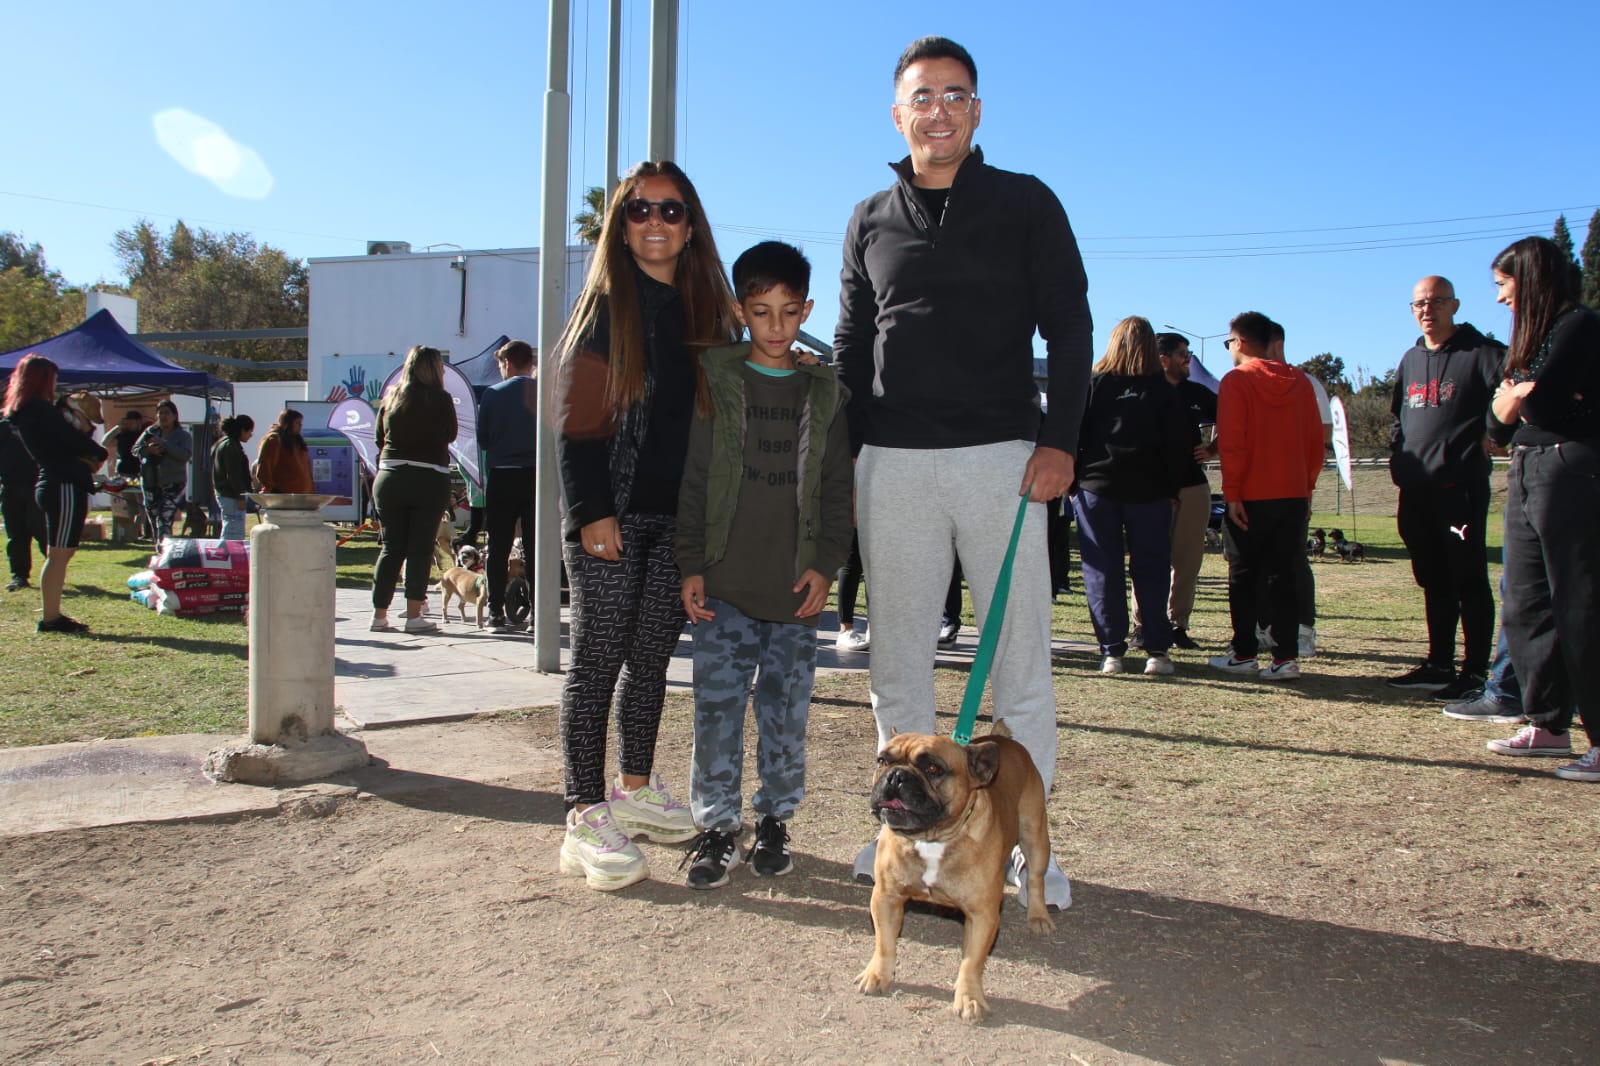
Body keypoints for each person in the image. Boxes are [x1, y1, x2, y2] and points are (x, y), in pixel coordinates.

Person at [834, 36, 1092, 909]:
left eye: (954, 95)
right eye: (921, 96)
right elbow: (849, 342)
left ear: (976, 111)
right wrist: (847, 449)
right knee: (898, 663)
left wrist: (1060, 440)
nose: (937, 110)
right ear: (897, 112)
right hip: (893, 464)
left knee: (1018, 661)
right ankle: (899, 842)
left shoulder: (1025, 203)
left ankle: (1028, 852)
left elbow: (1072, 327)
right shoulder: (869, 216)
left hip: (1003, 461)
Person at [552, 160, 740, 890]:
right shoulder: (603, 307)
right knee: (597, 660)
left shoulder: (708, 319)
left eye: (670, 210)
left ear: (691, 227)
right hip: (613, 517)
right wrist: (590, 512)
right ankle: (582, 811)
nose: (655, 223)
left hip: (674, 521)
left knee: (652, 660)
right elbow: (575, 425)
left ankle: (633, 787)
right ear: (620, 227)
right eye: (639, 211)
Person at [675, 240, 853, 889]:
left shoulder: (825, 394)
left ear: (807, 309)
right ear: (739, 310)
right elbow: (694, 481)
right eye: (761, 312)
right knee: (716, 712)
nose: (775, 328)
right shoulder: (715, 384)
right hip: (723, 586)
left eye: (788, 313)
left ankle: (775, 819)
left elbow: (838, 490)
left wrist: (827, 565)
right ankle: (718, 827)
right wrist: (690, 564)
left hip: (796, 592)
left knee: (785, 712)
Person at [1481, 236, 1600, 782]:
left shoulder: (1579, 326)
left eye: (1504, 286)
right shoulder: (1530, 341)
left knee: (1580, 602)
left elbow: (1542, 402)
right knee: (1525, 600)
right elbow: (1496, 426)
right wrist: (1518, 392)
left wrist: (1521, 394)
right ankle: (1548, 723)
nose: (1501, 298)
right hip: (1527, 468)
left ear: (1529, 280)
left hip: (1571, 469)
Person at [1385, 276, 1504, 699]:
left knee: (1467, 576)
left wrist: (1495, 432)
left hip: (1459, 490)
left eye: (1436, 302)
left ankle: (1474, 672)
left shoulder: (1482, 353)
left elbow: (1511, 390)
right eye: (1419, 303)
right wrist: (1398, 452)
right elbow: (1398, 412)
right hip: (1416, 490)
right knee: (1432, 577)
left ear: (1454, 305)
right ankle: (1438, 663)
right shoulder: (1410, 359)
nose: (1427, 309)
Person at [1071, 316, 1191, 675]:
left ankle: (1112, 652)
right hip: (1150, 491)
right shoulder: (1163, 389)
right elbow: (1177, 445)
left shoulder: (1093, 384)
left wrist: (1075, 481)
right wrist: (1172, 490)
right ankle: (1157, 650)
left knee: (1102, 570)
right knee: (1152, 568)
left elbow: (1073, 432)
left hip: (1097, 488)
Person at [1207, 312, 1324, 680]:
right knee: (1284, 575)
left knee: (1243, 574)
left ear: (1239, 342)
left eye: (1229, 342)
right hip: (1292, 494)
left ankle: (1244, 652)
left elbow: (1232, 442)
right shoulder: (1301, 382)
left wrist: (1234, 493)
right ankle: (1285, 657)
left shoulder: (1236, 381)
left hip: (1252, 494)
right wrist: (1307, 488)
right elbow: (1314, 443)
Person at [2, 354, 108, 633]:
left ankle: (52, 615)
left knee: (58, 553)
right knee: (59, 555)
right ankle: (51, 618)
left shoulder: (22, 411)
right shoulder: (41, 411)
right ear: (42, 379)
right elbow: (74, 441)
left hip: (52, 482)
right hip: (63, 485)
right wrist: (96, 452)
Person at [1132, 332, 1215, 652]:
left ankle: (1177, 625)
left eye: (1189, 353)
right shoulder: (1140, 392)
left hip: (1192, 488)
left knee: (1187, 562)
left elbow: (1233, 420)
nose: (1189, 359)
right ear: (1162, 358)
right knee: (1148, 560)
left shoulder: (1197, 392)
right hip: (1151, 489)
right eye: (1184, 353)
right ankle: (1142, 627)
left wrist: (1213, 448)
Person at [370, 345, 458, 634]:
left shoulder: (391, 397)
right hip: (429, 478)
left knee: (391, 547)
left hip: (390, 476)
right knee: (420, 548)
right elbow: (451, 434)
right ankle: (413, 616)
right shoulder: (441, 399)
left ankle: (379, 615)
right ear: (434, 369)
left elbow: (378, 438)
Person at [476, 338, 539, 633]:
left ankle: (495, 613)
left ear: (506, 363)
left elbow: (483, 438)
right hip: (535, 475)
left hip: (502, 474)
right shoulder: (543, 393)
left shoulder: (492, 395)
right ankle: (539, 612)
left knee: (498, 546)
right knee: (534, 544)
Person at [1, 411, 47, 591]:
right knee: (16, 533)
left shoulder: (40, 420)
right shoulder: (4, 425)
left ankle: (54, 568)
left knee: (41, 531)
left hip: (35, 484)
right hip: (10, 485)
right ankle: (19, 575)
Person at [134, 399, 192, 542]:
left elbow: (185, 455)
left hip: (173, 483)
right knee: (154, 518)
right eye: (160, 413)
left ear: (174, 416)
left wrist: (164, 445)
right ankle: (159, 550)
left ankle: (165, 552)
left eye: (167, 413)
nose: (163, 416)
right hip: (150, 482)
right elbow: (135, 450)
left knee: (164, 518)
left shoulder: (182, 436)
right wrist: (148, 450)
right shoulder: (150, 432)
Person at [211, 415, 255, 542]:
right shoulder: (231, 446)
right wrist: (240, 496)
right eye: (249, 432)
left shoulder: (223, 443)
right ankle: (228, 556)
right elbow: (233, 475)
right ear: (242, 430)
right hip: (231, 495)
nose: (250, 435)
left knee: (230, 526)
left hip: (226, 494)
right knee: (233, 531)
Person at [252, 409, 314, 494]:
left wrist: (310, 489)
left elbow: (307, 469)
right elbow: (264, 467)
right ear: (287, 423)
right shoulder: (274, 439)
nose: (300, 425)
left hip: (302, 495)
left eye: (301, 423)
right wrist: (269, 487)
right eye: (297, 422)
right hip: (283, 494)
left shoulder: (298, 442)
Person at [835, 532, 869, 651]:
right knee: (851, 562)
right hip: (853, 518)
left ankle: (873, 631)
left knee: (877, 566)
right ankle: (845, 630)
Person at [102, 410, 147, 479]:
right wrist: (118, 427)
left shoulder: (145, 433)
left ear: (139, 422)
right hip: (124, 471)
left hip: (141, 471)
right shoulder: (123, 435)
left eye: (132, 422)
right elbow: (106, 442)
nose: (130, 424)